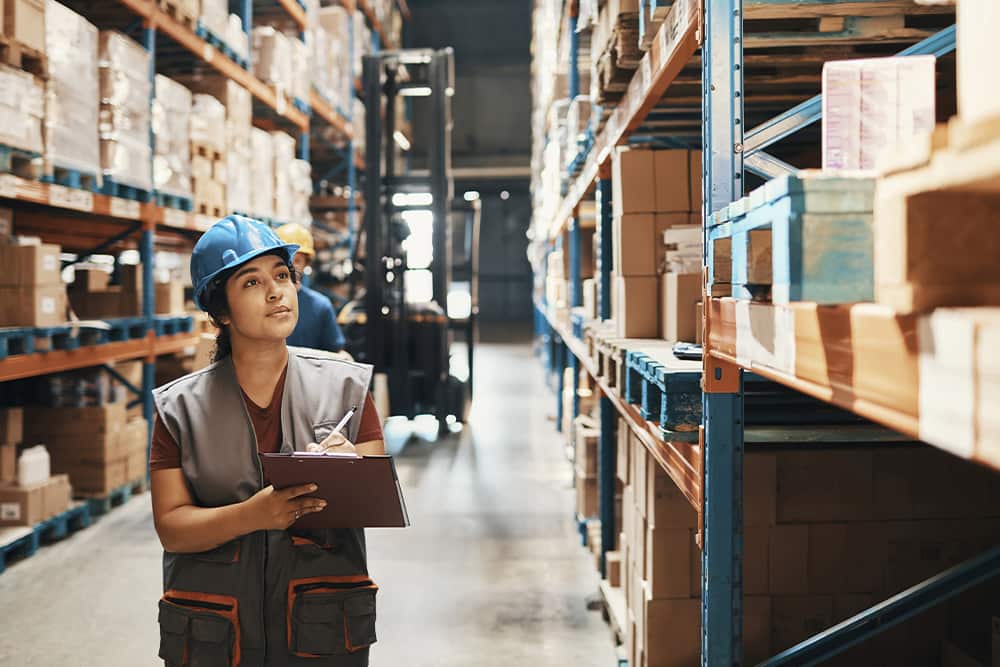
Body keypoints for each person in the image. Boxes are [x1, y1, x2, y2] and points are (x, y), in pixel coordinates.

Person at [149, 215, 385, 666]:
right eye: (252, 282)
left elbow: (376, 500)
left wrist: (347, 468)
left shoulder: (346, 388)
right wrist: (253, 515)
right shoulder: (178, 408)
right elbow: (172, 528)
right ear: (221, 310)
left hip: (320, 629)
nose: (277, 291)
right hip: (218, 635)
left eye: (282, 276)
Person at [274, 223, 346, 353]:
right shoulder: (263, 303)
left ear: (306, 264)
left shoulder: (320, 306)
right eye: (286, 259)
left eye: (297, 260)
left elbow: (336, 353)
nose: (290, 266)